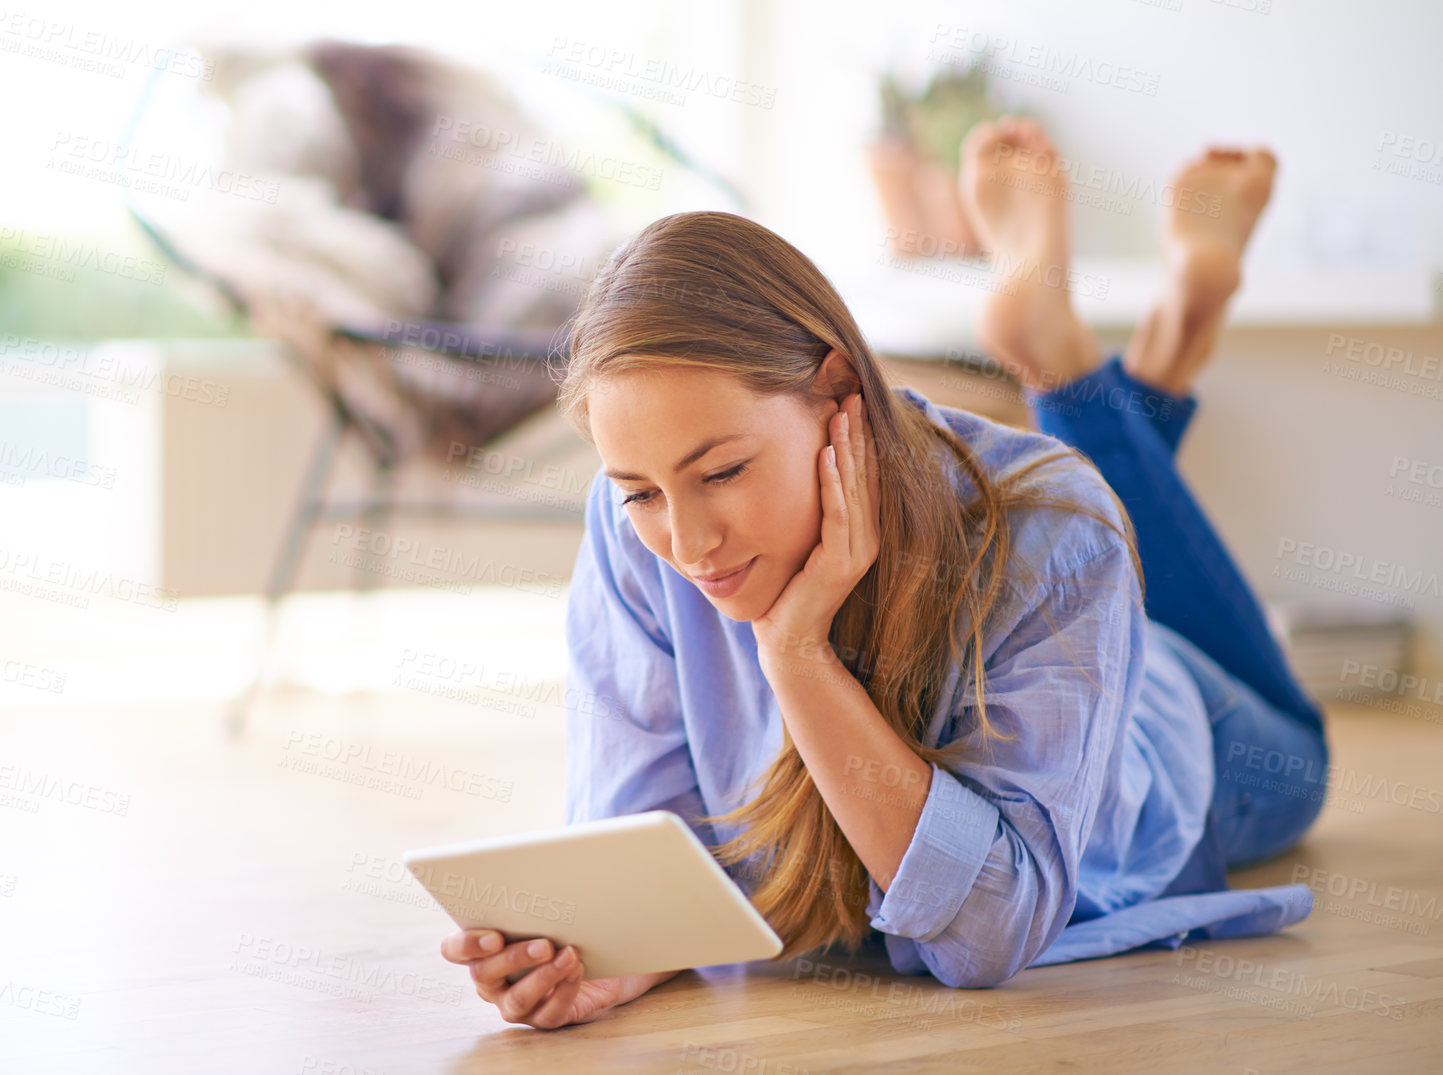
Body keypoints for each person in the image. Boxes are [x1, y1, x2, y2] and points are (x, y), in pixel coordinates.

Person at [438, 115, 1328, 1030]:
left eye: (721, 472)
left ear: (834, 391)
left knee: (1300, 753)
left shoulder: (1054, 531)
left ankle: (1085, 365)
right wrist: (625, 953)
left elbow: (986, 934)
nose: (689, 541)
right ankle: (1156, 348)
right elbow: (647, 846)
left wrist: (797, 657)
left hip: (1167, 723)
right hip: (1070, 602)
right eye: (640, 491)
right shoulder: (632, 529)